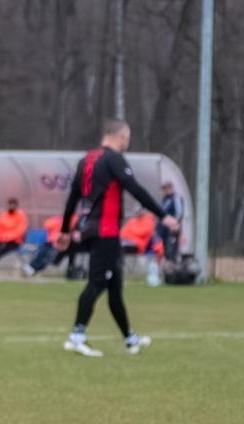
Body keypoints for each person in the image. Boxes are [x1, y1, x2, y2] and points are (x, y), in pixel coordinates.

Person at [56, 119, 181, 357]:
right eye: (127, 138)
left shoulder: (86, 160)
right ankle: (77, 335)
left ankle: (129, 338)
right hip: (106, 232)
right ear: (120, 136)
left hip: (93, 230)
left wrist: (64, 230)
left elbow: (72, 198)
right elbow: (135, 189)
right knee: (97, 282)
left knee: (115, 287)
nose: (127, 142)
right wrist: (163, 216)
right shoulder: (113, 159)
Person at [157, 180, 182, 264]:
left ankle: (173, 268)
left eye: (166, 188)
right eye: (164, 189)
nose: (165, 191)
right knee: (166, 250)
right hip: (164, 230)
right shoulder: (164, 199)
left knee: (172, 250)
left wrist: (175, 224)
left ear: (171, 188)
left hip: (172, 229)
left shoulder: (176, 198)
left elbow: (179, 213)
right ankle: (168, 268)